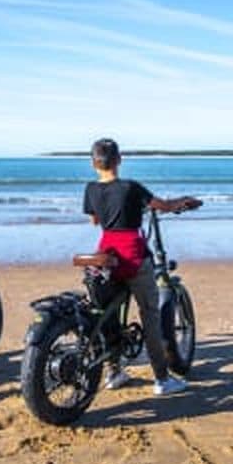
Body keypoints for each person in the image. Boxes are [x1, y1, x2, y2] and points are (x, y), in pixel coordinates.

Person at [83, 138, 200, 395]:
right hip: (133, 254)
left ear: (94, 163)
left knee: (110, 313)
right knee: (150, 316)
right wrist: (185, 201)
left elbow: (95, 220)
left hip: (107, 252)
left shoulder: (90, 189)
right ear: (119, 160)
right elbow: (164, 206)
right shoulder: (131, 187)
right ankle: (161, 379)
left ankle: (114, 371)